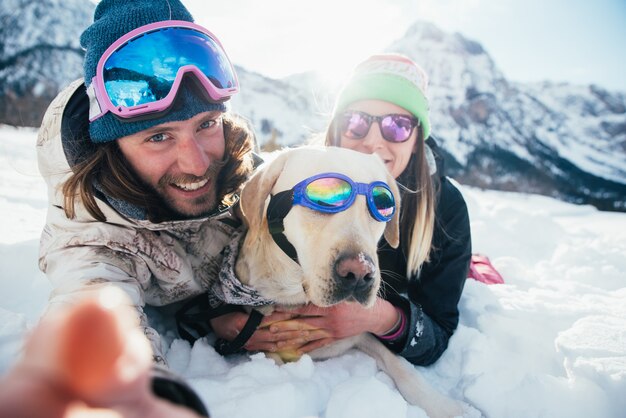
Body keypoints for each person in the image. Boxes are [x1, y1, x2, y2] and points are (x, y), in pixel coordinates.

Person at [31, 0, 268, 414]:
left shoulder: (244, 172)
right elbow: (97, 323)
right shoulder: (92, 230)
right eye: (158, 137)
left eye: (206, 124)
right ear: (112, 146)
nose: (196, 164)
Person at [211, 53, 471, 366]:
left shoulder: (446, 209)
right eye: (356, 122)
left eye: (397, 126)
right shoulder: (292, 176)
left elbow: (437, 334)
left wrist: (375, 318)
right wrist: (220, 315)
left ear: (416, 139)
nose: (373, 142)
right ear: (336, 128)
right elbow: (208, 257)